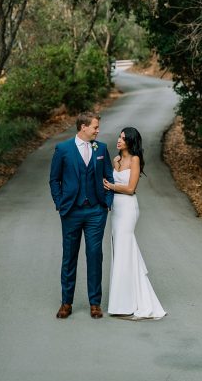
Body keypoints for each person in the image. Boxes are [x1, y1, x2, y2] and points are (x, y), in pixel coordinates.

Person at [49, 112, 115, 319]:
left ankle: (95, 303)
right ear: (83, 127)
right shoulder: (63, 149)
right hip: (71, 211)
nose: (98, 130)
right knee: (69, 257)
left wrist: (108, 202)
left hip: (96, 211)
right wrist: (60, 203)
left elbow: (109, 176)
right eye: (95, 127)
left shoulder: (101, 148)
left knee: (95, 256)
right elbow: (54, 180)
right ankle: (66, 303)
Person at [103, 127, 166, 319]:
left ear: (130, 142)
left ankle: (128, 302)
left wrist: (111, 186)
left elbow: (130, 188)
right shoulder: (116, 160)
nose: (119, 140)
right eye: (119, 137)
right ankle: (121, 301)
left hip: (128, 208)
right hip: (116, 209)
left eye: (123, 138)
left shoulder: (135, 160)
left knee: (124, 248)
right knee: (121, 251)